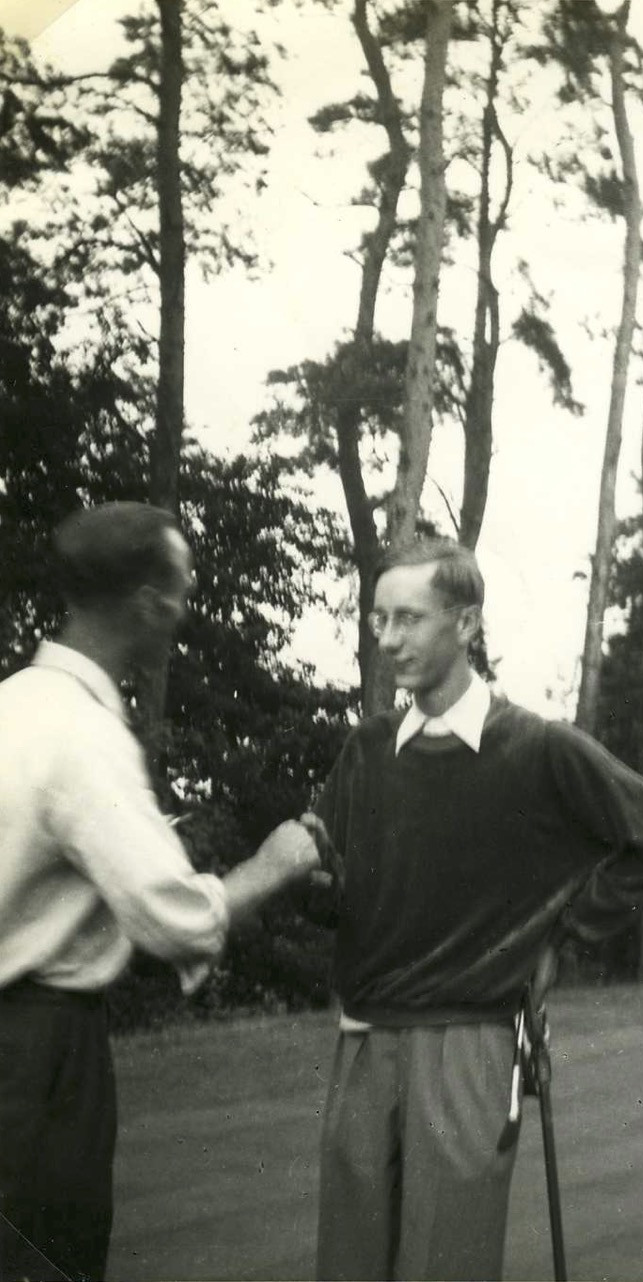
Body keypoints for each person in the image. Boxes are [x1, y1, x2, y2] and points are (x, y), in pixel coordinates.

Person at [305, 537, 643, 1281]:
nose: (388, 640)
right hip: (362, 1039)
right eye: (379, 620)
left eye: (409, 619)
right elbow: (342, 900)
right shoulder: (365, 751)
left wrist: (563, 932)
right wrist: (303, 879)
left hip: (468, 1044)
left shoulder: (534, 747)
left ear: (466, 624)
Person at [0, 501, 330, 1282]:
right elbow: (171, 919)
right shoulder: (84, 734)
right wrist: (277, 862)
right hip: (37, 1055)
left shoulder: (14, 702)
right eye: (181, 589)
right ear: (148, 601)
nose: (185, 608)